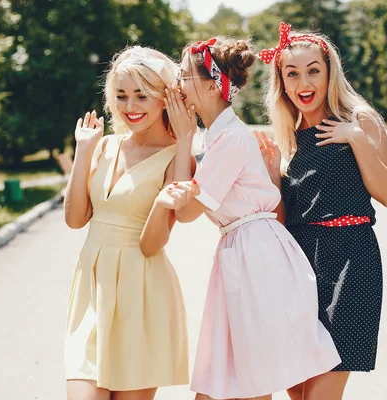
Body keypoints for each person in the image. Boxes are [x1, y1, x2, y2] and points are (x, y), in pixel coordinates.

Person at [163, 36, 340, 400]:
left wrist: (183, 138)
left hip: (256, 258)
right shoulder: (219, 136)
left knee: (247, 381)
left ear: (212, 87)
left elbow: (185, 212)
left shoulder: (229, 140)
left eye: (183, 77)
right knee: (230, 379)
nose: (176, 86)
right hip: (244, 254)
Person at [256, 22, 387, 400]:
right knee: (298, 391)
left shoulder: (361, 120)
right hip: (299, 267)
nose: (304, 81)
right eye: (292, 73)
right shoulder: (286, 139)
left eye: (313, 70)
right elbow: (283, 220)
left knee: (321, 393)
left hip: (352, 261)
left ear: (329, 72)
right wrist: (273, 176)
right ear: (282, 82)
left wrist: (354, 138)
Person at [63, 46, 191, 400]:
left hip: (143, 295)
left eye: (141, 96)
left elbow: (156, 241)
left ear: (165, 98)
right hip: (93, 291)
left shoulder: (176, 158)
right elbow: (75, 220)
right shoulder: (103, 147)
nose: (130, 106)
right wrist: (82, 152)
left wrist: (184, 140)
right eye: (121, 96)